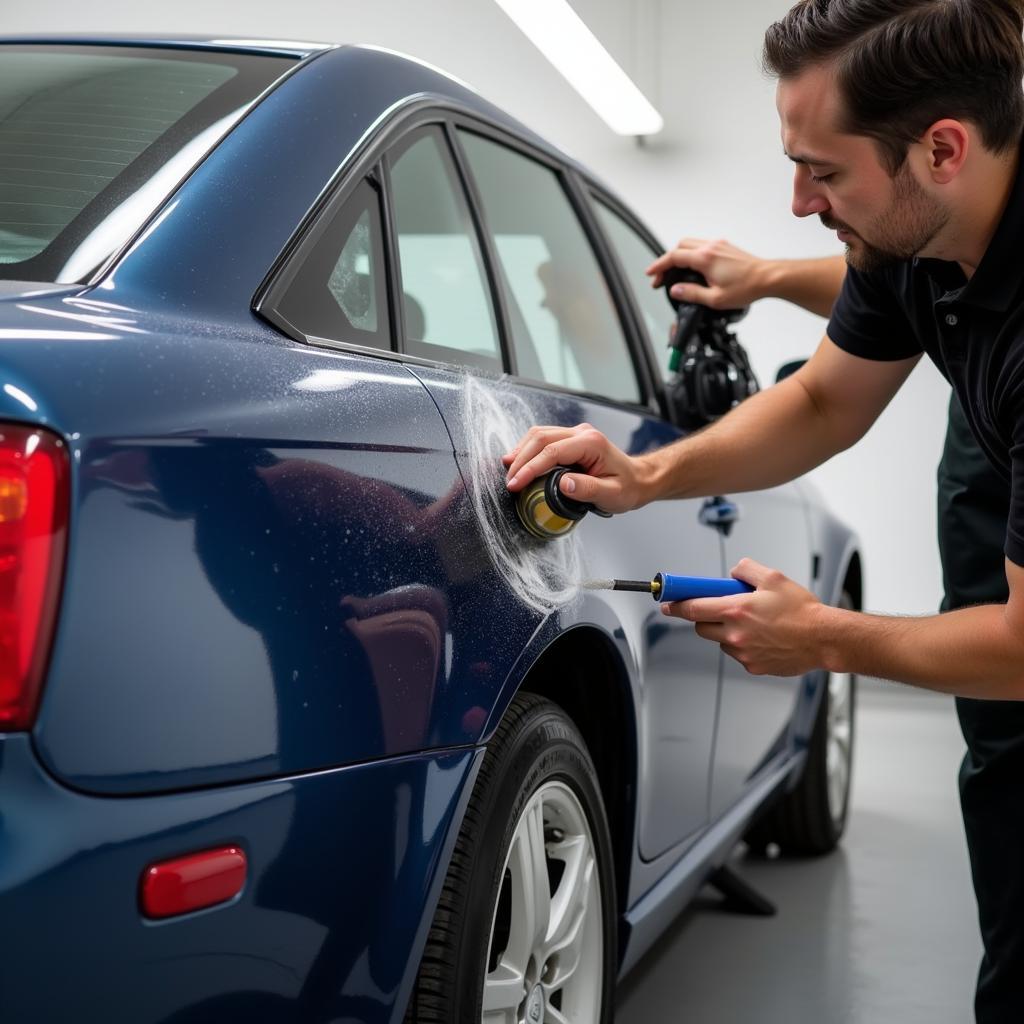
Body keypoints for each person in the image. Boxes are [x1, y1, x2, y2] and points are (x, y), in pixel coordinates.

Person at [503, 2, 1024, 1020]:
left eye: (823, 172)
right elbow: (827, 399)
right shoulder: (910, 247)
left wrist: (825, 635)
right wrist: (647, 474)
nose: (795, 205)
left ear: (942, 151)